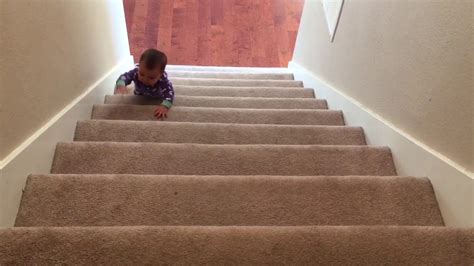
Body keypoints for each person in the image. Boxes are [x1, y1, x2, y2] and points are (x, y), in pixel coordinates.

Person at [115, 49, 174, 119]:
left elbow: (169, 92)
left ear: (160, 75)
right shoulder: (136, 72)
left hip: (156, 97)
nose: (145, 80)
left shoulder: (163, 80)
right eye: (142, 74)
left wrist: (165, 106)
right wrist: (121, 85)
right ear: (139, 66)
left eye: (151, 78)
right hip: (139, 94)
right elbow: (124, 77)